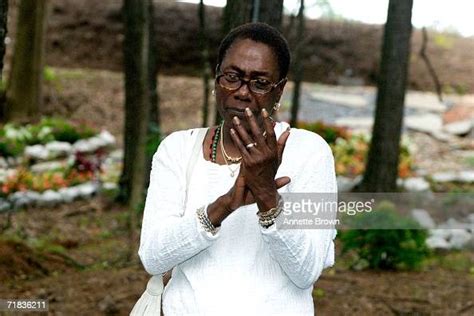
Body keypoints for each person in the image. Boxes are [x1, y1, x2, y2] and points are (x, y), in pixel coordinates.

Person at [138, 22, 337, 316]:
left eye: (259, 83)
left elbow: (306, 270)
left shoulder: (311, 153)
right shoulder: (178, 149)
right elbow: (154, 258)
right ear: (217, 77)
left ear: (278, 89)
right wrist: (225, 205)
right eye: (232, 77)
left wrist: (268, 197)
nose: (242, 92)